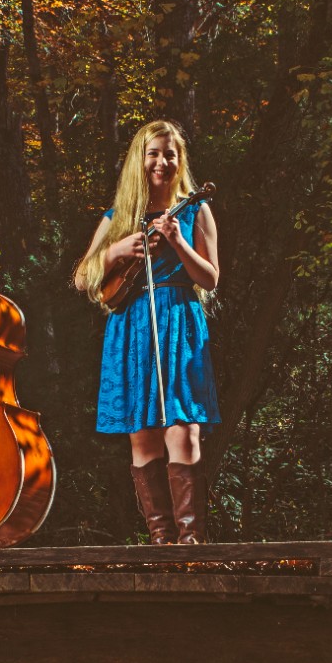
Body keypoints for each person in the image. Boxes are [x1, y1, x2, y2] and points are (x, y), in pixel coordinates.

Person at [74, 120, 221, 544]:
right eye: (153, 153)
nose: (162, 161)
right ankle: (160, 540)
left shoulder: (196, 210)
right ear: (140, 160)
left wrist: (179, 242)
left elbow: (210, 278)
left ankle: (190, 542)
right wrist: (117, 249)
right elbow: (84, 277)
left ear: (180, 162)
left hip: (179, 320)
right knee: (143, 435)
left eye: (170, 154)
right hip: (132, 326)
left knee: (184, 428)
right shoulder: (118, 217)